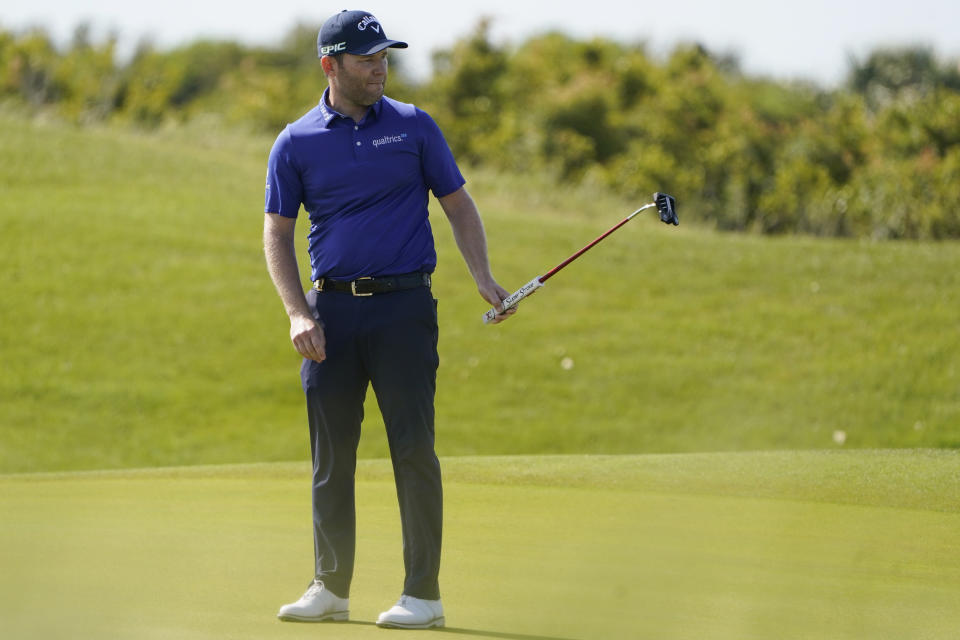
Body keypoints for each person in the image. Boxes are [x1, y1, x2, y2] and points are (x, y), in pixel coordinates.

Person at [262, 9, 516, 630]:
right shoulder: (295, 142)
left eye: (384, 57)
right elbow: (277, 232)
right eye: (366, 58)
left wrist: (484, 279)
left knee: (413, 449)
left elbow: (458, 204)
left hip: (405, 310)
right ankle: (330, 587)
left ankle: (422, 595)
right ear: (331, 64)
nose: (380, 67)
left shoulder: (413, 126)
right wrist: (297, 312)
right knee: (332, 457)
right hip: (332, 314)